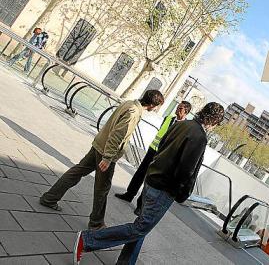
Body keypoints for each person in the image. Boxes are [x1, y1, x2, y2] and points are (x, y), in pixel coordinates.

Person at [72, 102, 224, 265]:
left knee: (141, 226)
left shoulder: (181, 124)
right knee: (140, 228)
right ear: (214, 120)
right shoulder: (199, 136)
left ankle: (126, 262)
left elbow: (161, 146)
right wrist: (181, 193)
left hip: (152, 179)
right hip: (164, 189)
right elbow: (186, 170)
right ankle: (88, 240)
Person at [39, 90, 164, 230]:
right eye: (157, 106)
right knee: (102, 188)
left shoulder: (129, 103)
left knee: (77, 171)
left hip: (99, 144)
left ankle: (49, 198)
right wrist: (108, 158)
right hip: (106, 151)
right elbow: (117, 135)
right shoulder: (134, 112)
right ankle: (96, 223)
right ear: (153, 104)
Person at [115, 101, 192, 213]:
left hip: (164, 156)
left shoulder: (185, 127)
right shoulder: (168, 118)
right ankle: (129, 194)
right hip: (153, 150)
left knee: (150, 179)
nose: (177, 110)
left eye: (180, 109)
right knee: (140, 173)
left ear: (186, 112)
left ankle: (140, 206)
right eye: (177, 107)